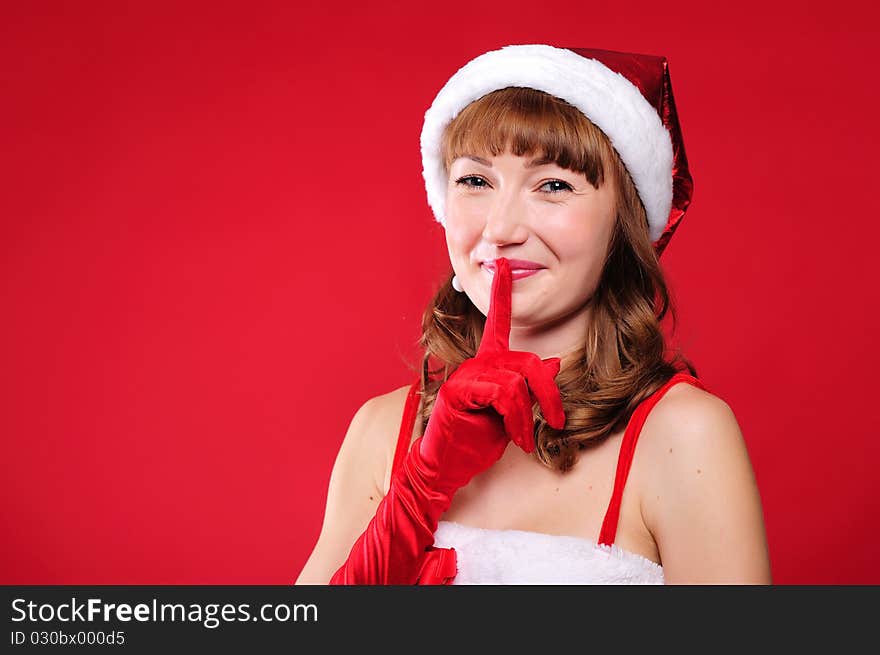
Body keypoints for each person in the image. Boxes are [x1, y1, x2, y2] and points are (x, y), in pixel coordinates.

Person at [294, 44, 772, 585]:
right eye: (475, 181)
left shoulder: (682, 434)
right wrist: (417, 495)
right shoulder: (382, 430)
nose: (500, 230)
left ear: (624, 225)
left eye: (554, 185)